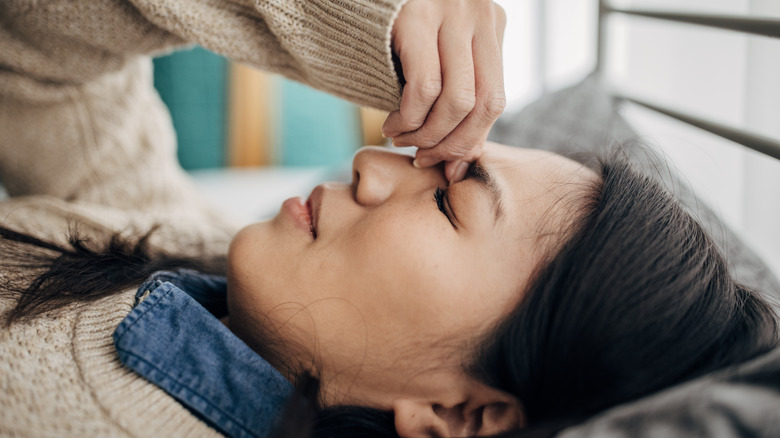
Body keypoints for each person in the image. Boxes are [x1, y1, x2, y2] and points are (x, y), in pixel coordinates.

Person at [1, 2, 778, 438]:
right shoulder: (179, 251)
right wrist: (376, 21)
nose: (372, 163)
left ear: (459, 412)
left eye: (446, 202)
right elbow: (34, 58)